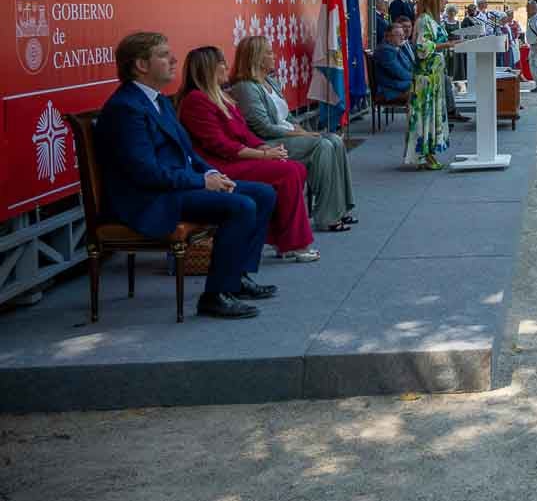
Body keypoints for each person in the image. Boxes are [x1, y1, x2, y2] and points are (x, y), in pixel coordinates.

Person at [97, 32, 276, 319]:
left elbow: (188, 153)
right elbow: (146, 173)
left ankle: (236, 278)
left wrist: (213, 173)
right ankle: (214, 296)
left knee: (263, 193)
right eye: (164, 55)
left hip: (175, 187)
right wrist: (202, 182)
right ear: (141, 65)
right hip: (150, 199)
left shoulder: (160, 101)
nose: (174, 60)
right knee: (241, 205)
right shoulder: (125, 108)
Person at [176, 46, 317, 264]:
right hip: (218, 165)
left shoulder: (221, 96)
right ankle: (294, 243)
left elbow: (245, 133)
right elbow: (220, 145)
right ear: (208, 68)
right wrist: (262, 156)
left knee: (294, 168)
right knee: (288, 172)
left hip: (236, 158)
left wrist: (266, 149)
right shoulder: (196, 100)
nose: (225, 66)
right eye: (221, 62)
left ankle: (282, 238)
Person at [230, 35, 358, 233]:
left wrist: (302, 130)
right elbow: (263, 128)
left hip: (287, 135)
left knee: (334, 140)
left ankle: (341, 208)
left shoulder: (270, 82)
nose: (274, 56)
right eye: (269, 52)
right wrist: (301, 135)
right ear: (256, 58)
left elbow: (287, 117)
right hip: (269, 142)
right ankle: (327, 216)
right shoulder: (246, 88)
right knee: (322, 145)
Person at [404, 0, 455, 169]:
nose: (446, 1)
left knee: (432, 117)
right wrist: (447, 45)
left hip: (434, 77)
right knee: (425, 117)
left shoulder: (432, 20)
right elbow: (422, 48)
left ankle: (429, 152)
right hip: (426, 79)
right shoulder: (424, 20)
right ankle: (423, 155)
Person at [372, 23, 415, 101]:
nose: (402, 38)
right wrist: (415, 77)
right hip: (389, 90)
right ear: (388, 37)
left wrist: (404, 48)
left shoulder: (396, 47)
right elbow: (400, 73)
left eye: (403, 35)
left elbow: (408, 66)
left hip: (398, 84)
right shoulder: (385, 50)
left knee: (423, 84)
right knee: (422, 86)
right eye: (399, 35)